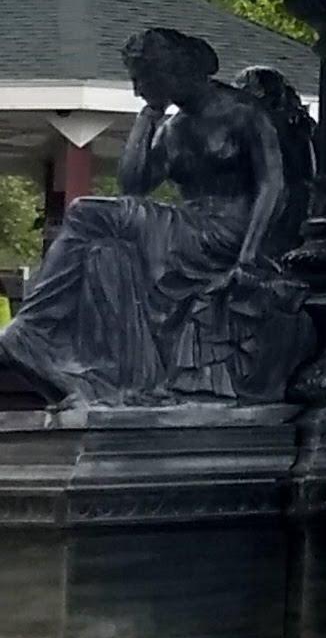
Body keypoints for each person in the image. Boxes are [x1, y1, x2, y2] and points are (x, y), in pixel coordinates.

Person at [0, 30, 308, 405]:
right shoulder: (172, 128)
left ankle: (32, 328)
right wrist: (149, 115)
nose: (136, 88)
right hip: (187, 227)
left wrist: (250, 255)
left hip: (229, 230)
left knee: (85, 213)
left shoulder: (242, 113)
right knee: (103, 254)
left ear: (173, 70)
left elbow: (273, 186)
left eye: (142, 78)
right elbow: (133, 184)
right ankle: (103, 373)